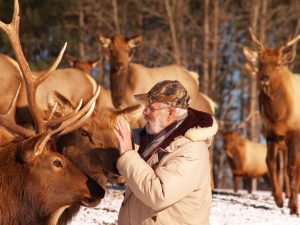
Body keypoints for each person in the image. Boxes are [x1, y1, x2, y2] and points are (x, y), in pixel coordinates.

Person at [114, 80, 218, 225]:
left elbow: (158, 195)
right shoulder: (152, 137)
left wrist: (129, 156)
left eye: (150, 108)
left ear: (170, 113)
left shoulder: (191, 151)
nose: (144, 112)